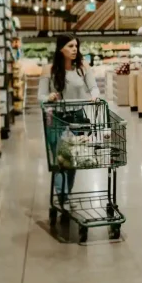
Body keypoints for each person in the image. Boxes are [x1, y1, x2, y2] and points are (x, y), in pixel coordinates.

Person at [38, 34, 100, 207]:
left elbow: (93, 87)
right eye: (70, 46)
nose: (74, 49)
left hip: (77, 117)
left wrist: (95, 96)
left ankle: (66, 195)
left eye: (76, 46)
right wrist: (48, 97)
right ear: (60, 49)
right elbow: (40, 97)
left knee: (73, 158)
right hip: (56, 117)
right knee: (59, 159)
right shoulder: (48, 70)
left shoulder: (82, 67)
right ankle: (64, 197)